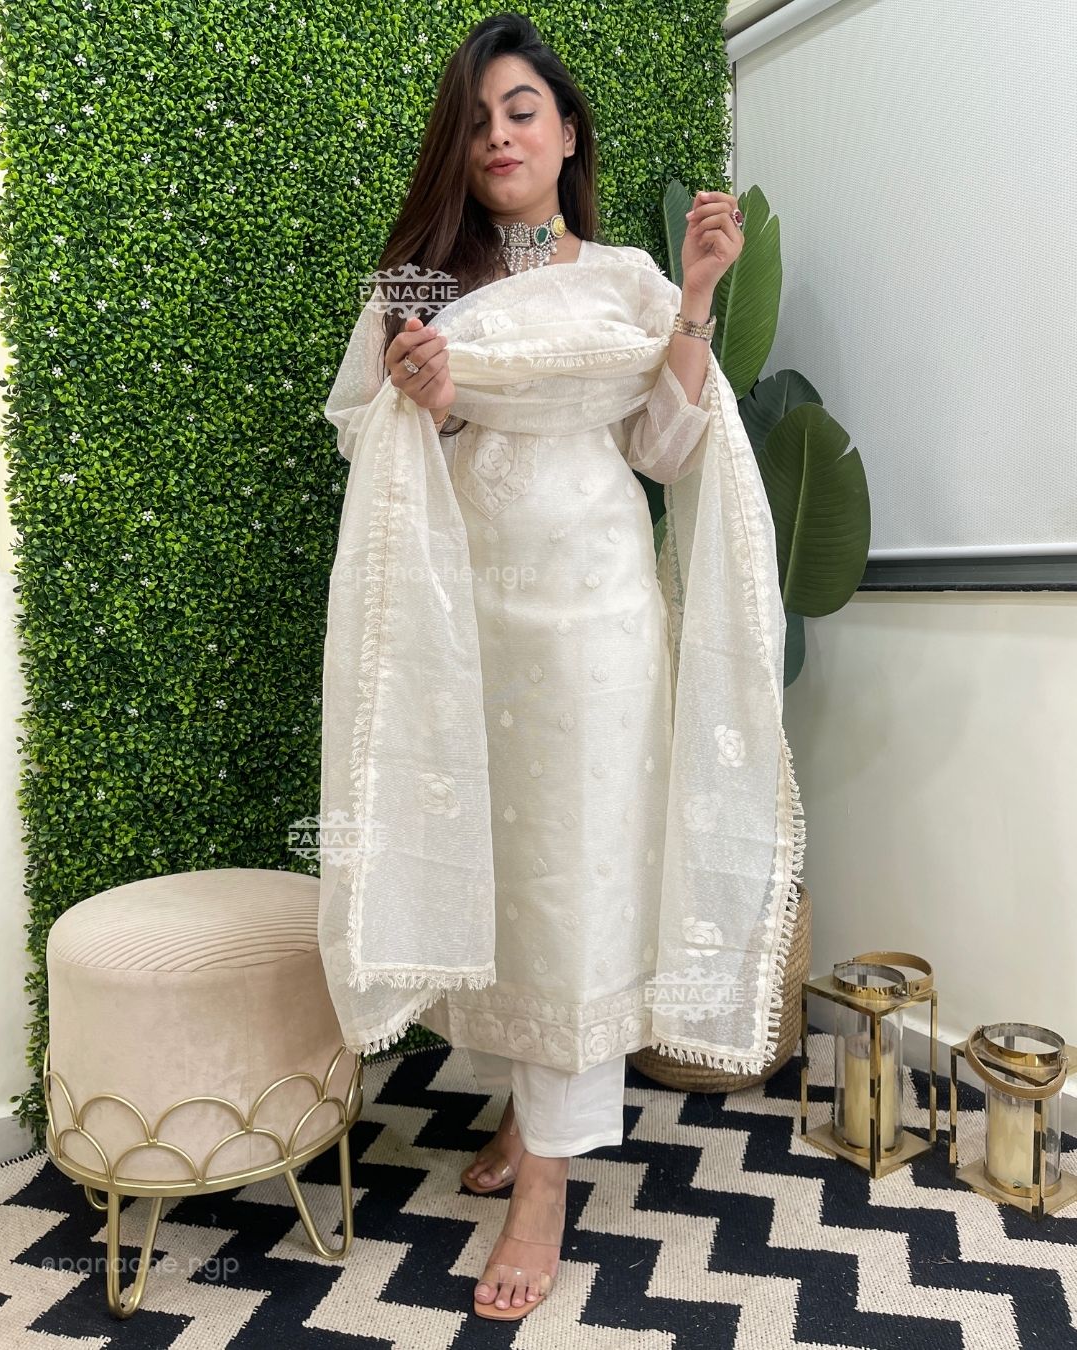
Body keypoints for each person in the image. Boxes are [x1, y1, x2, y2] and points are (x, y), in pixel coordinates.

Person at [319, 12, 801, 1324]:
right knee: (505, 869)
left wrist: (696, 297)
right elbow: (368, 441)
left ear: (569, 130)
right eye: (477, 120)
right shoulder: (422, 283)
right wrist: (425, 403)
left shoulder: (629, 280)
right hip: (472, 630)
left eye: (522, 110)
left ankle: (546, 1177)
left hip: (599, 628)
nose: (499, 137)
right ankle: (527, 1109)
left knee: (580, 874)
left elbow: (666, 447)